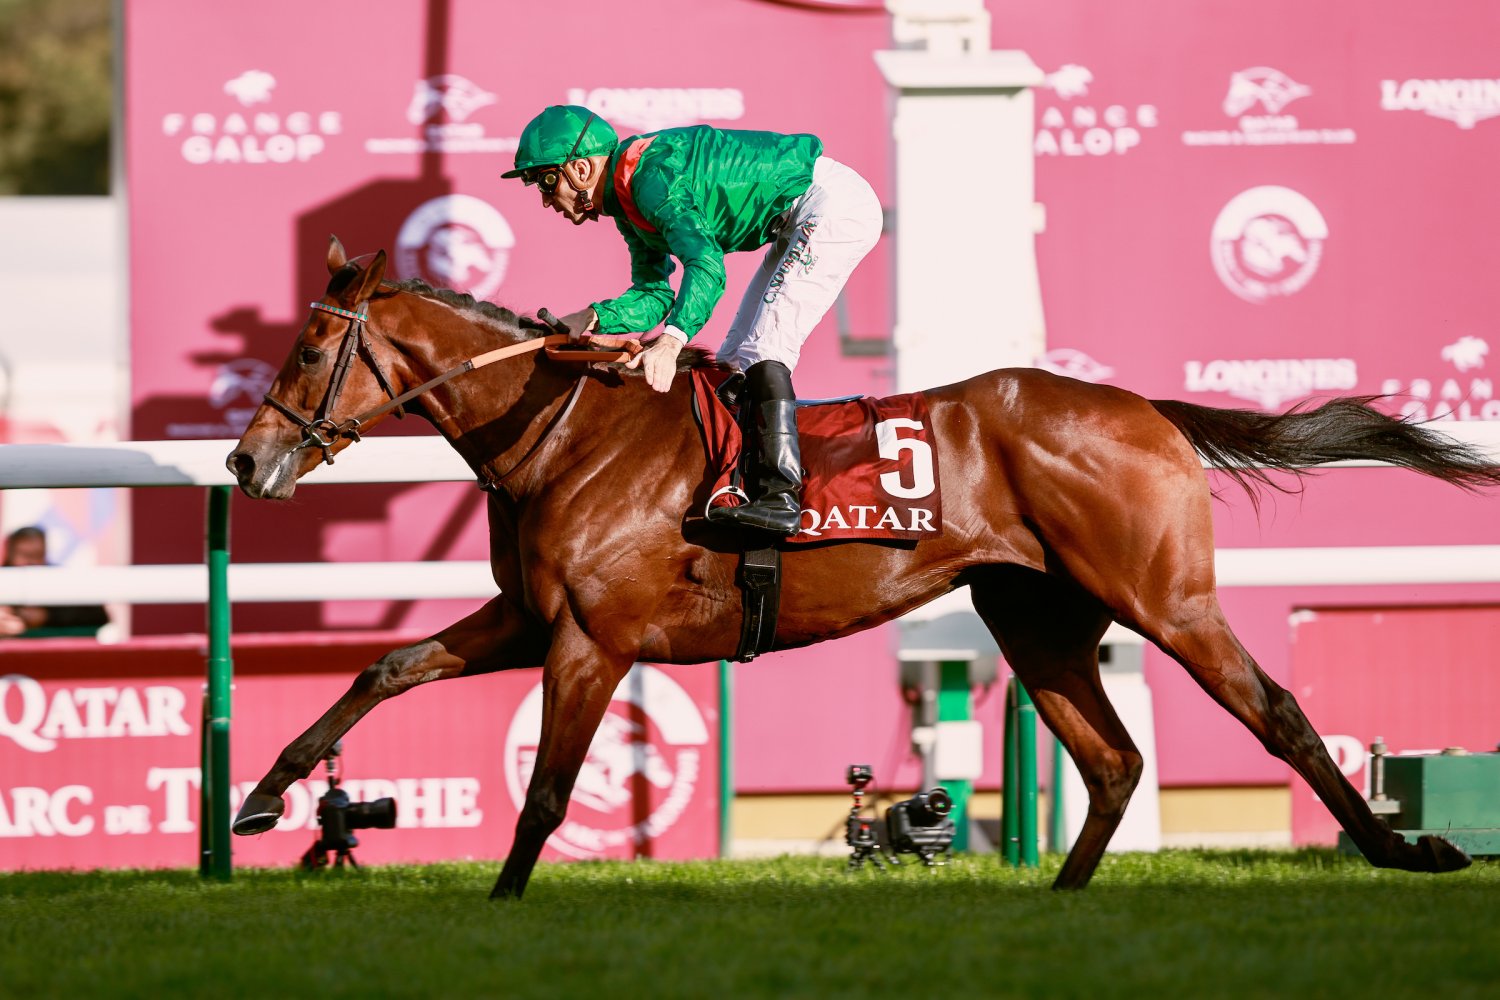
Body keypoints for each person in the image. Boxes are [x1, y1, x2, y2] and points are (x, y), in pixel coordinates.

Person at [502, 105, 883, 536]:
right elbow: (654, 294)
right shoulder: (627, 198)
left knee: (766, 347)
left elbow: (706, 265)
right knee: (734, 361)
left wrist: (671, 341)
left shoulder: (651, 180)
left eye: (546, 180)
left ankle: (780, 498)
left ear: (582, 168)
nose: (545, 199)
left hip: (830, 205)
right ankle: (741, 483)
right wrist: (593, 316)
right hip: (797, 216)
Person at [0, 526, 109, 638]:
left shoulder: (58, 579)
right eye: (25, 555)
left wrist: (47, 616)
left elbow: (98, 615)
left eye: (38, 555)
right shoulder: (3, 579)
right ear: (10, 553)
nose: (31, 562)